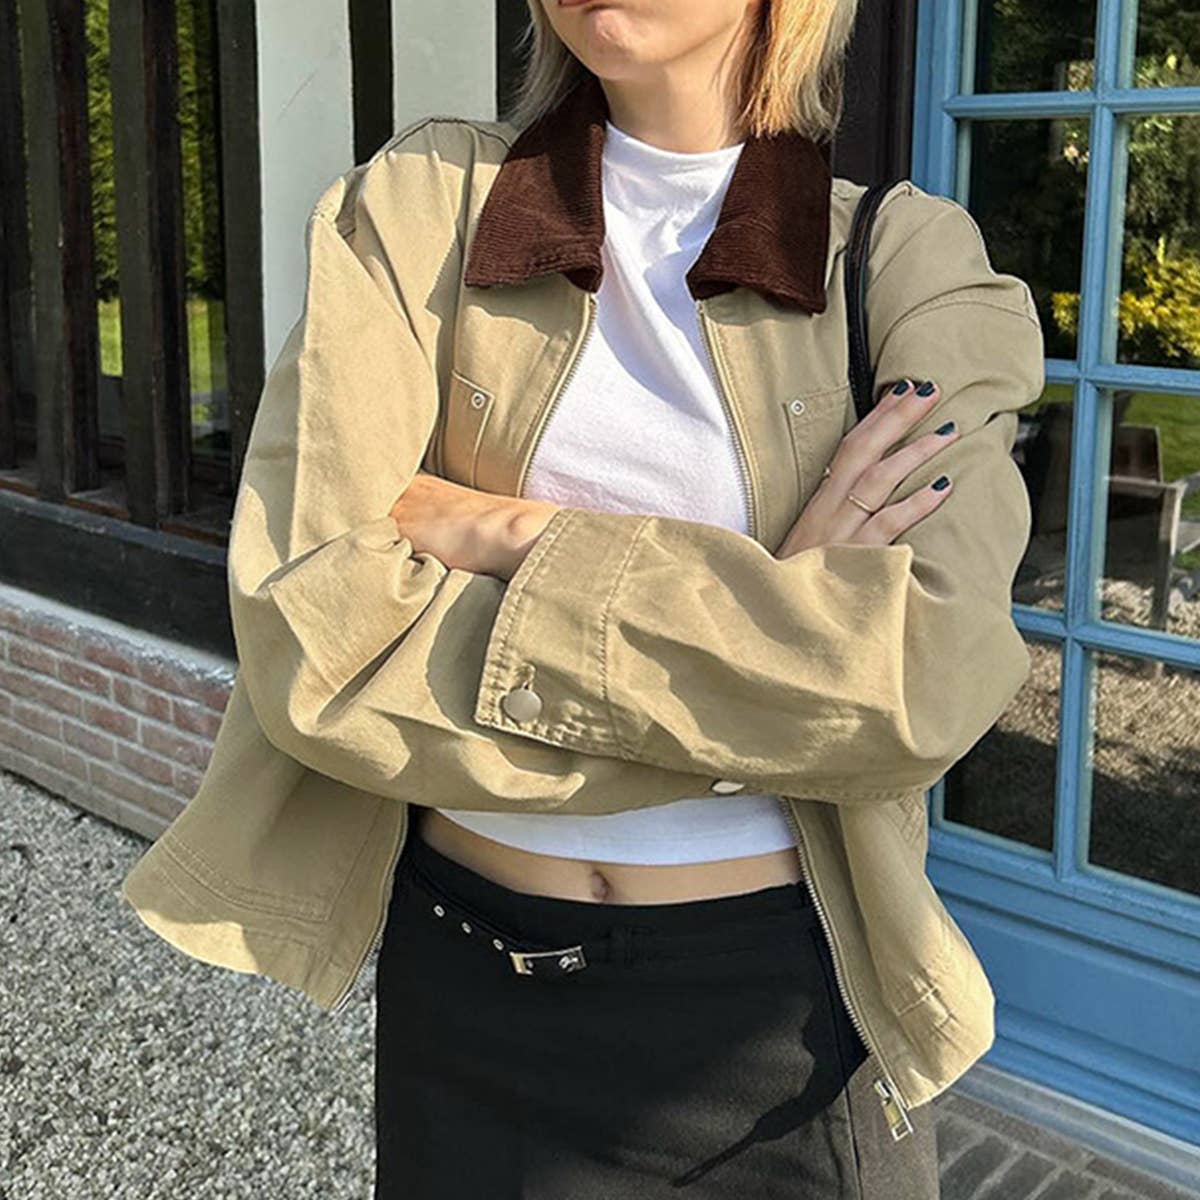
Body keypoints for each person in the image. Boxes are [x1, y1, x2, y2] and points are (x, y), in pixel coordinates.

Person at [120, 0, 1044, 1194]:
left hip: (774, 1025)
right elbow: (318, 644)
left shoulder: (906, 259)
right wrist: (770, 665)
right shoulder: (421, 209)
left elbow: (921, 681)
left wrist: (514, 533)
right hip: (461, 989)